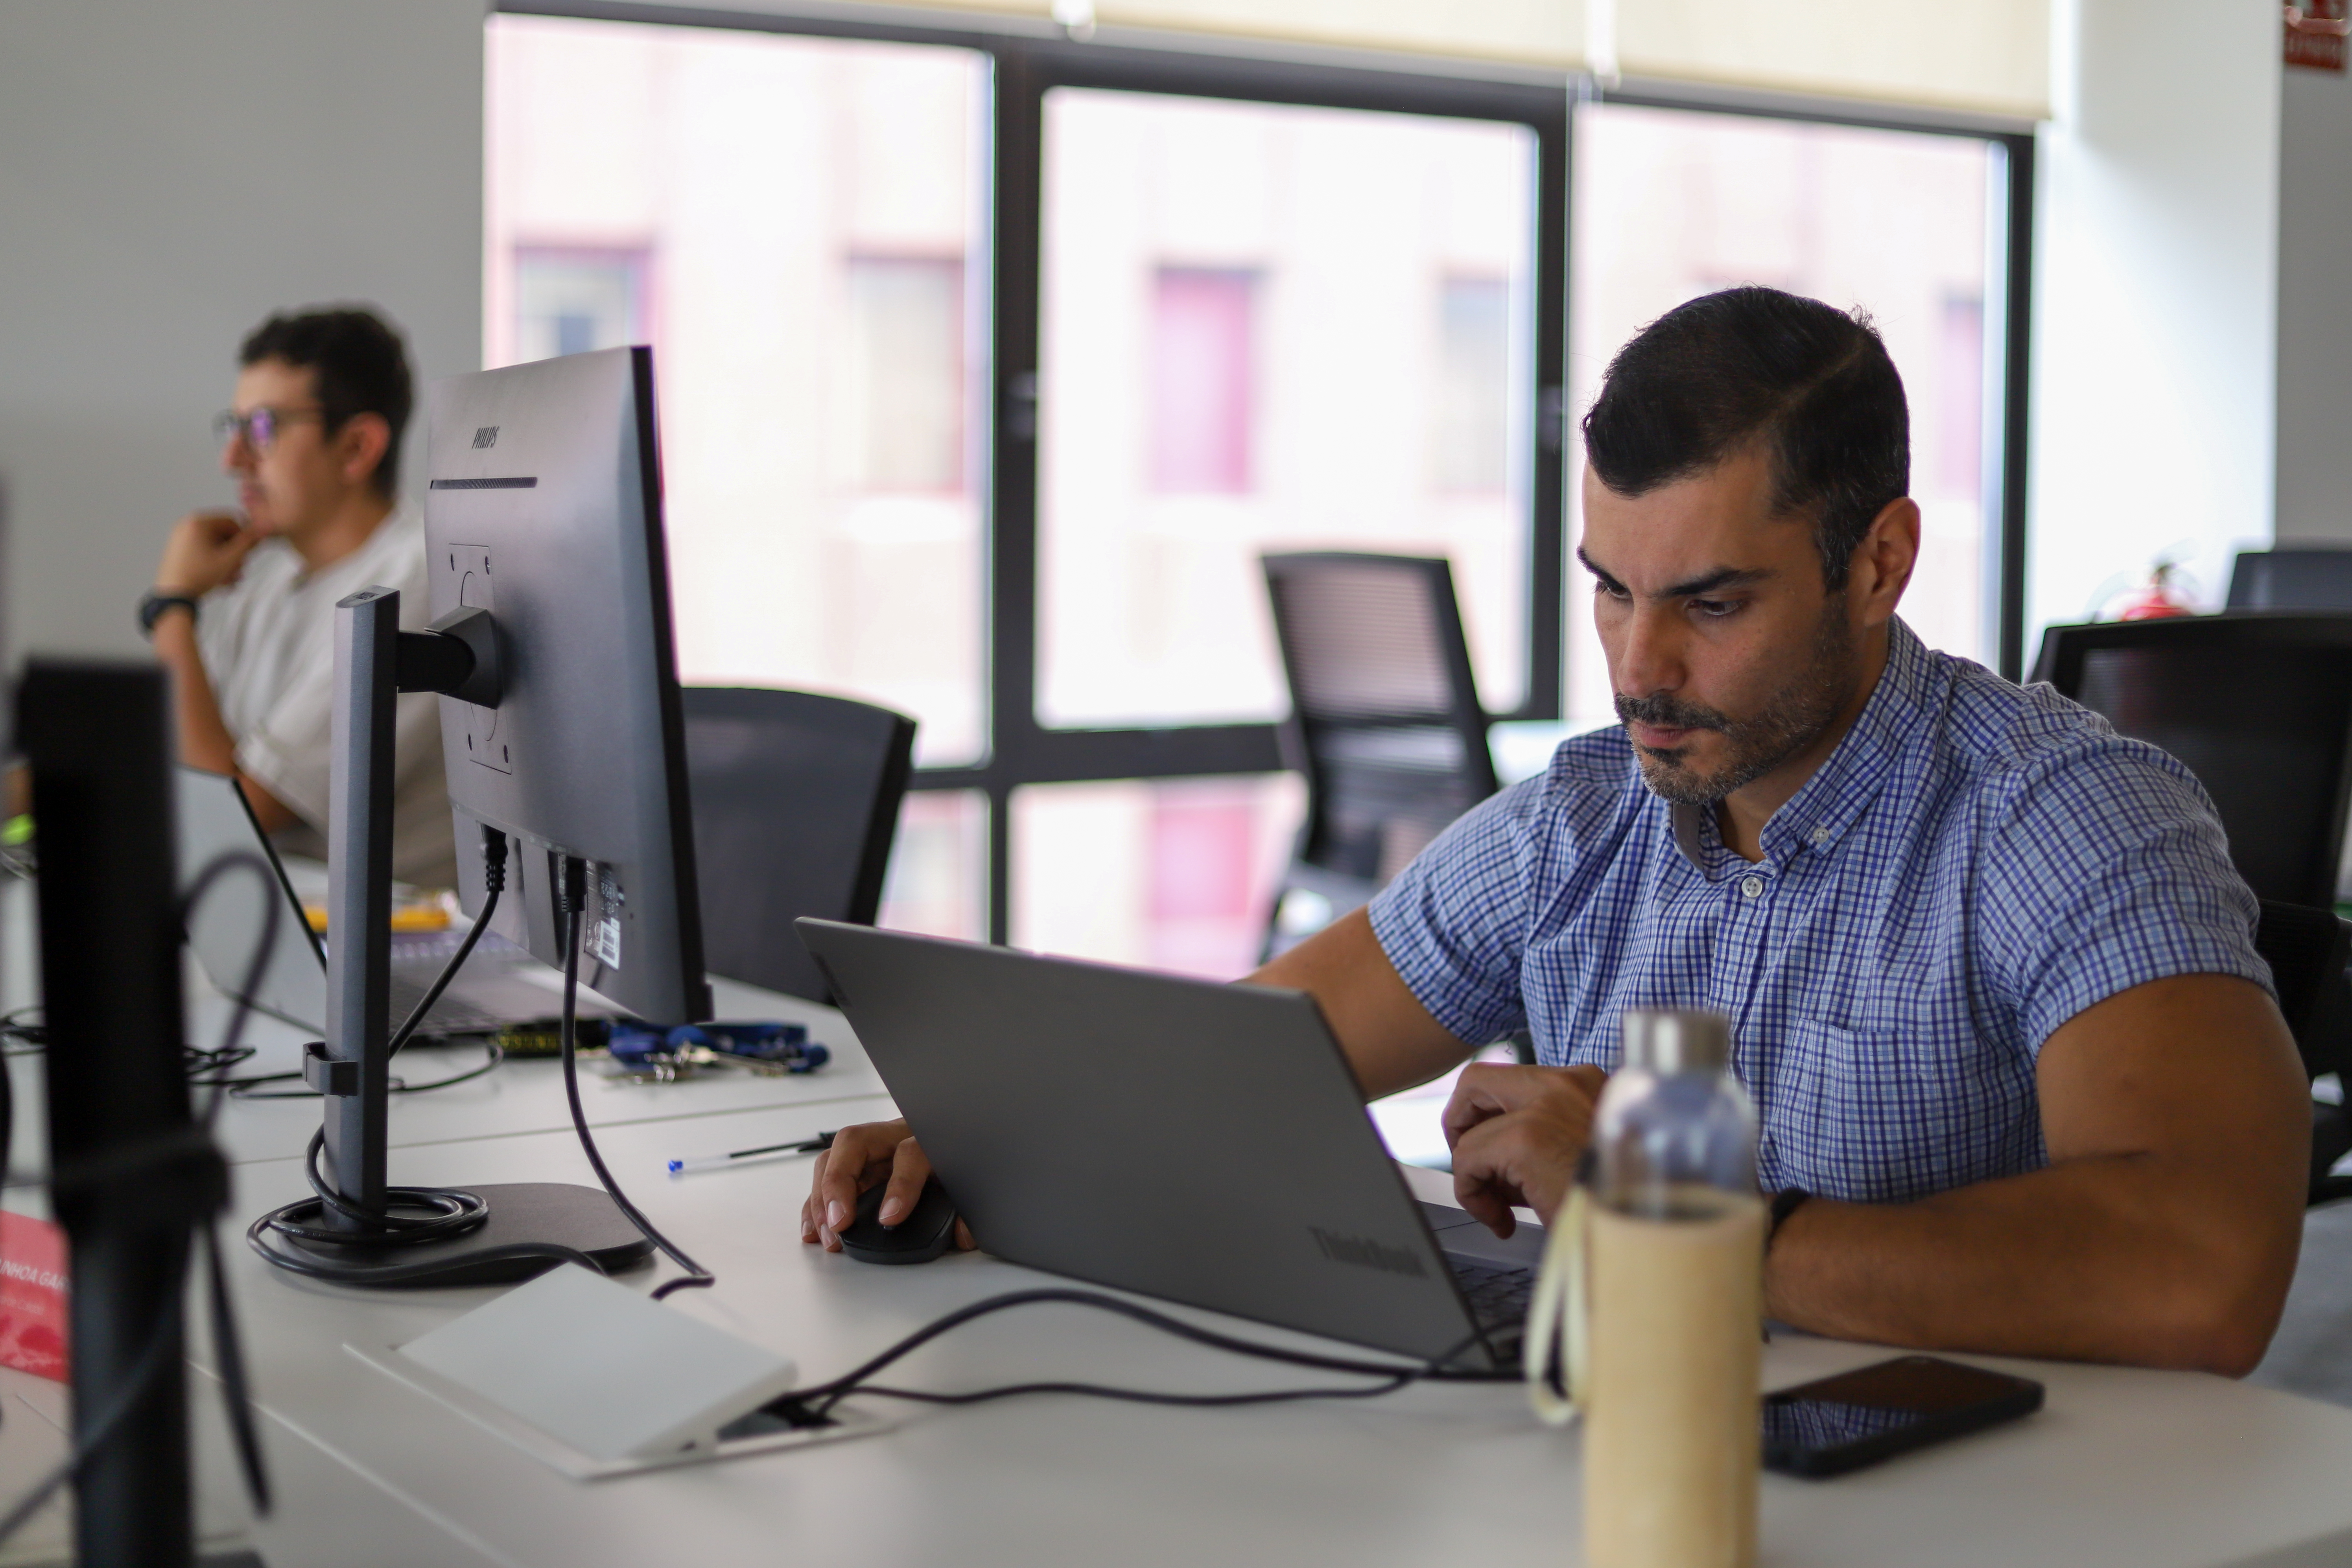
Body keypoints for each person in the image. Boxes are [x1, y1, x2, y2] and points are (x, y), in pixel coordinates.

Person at [802, 286, 2306, 1376]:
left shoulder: (2067, 815)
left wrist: (1673, 1210)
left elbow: (2205, 1268)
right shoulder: (1589, 814)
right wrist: (1000, 1134)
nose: (1639, 668)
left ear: (1880, 561)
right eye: (1610, 586)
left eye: (1711, 602)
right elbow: (1241, 1066)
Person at [144, 306, 456, 889]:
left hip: (382, 962)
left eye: (262, 428)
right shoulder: (270, 580)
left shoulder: (414, 583)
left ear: (357, 447)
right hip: (268, 925)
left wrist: (172, 607)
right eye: (232, 429)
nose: (232, 459)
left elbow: (238, 816)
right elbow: (169, 762)